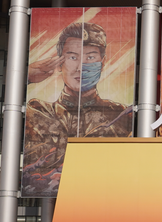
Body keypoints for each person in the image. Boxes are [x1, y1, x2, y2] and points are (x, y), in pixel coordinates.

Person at [24, 21, 134, 196]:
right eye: (72, 58)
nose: (80, 67)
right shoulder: (39, 112)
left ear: (103, 62)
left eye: (90, 58)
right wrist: (26, 77)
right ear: (59, 63)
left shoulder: (121, 116)